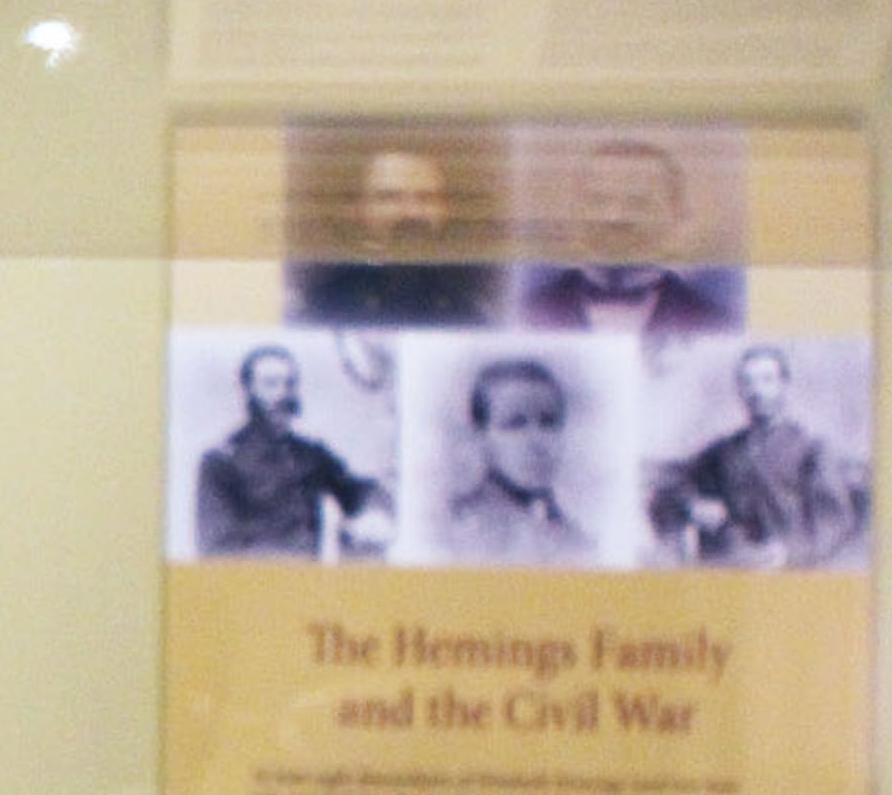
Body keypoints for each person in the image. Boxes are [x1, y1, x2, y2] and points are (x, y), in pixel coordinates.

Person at [651, 344, 868, 567]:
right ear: (740, 390)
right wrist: (692, 505)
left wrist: (790, 552)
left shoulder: (812, 449)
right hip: (729, 568)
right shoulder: (724, 450)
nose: (757, 391)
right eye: (747, 382)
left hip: (789, 574)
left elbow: (834, 521)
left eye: (767, 380)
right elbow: (672, 487)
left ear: (784, 385)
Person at [516, 140, 742, 345]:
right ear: (574, 213)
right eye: (598, 201)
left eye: (639, 203)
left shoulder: (716, 323)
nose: (614, 218)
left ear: (678, 217)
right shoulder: (526, 312)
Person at [194, 344, 391, 558]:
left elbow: (357, 490)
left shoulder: (310, 453)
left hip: (308, 581)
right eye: (270, 384)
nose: (282, 394)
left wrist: (373, 513)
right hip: (255, 584)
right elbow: (217, 549)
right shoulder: (221, 461)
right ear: (249, 390)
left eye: (289, 384)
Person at [287, 144, 505, 328]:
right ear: (356, 210)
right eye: (390, 198)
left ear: (445, 210)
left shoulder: (470, 308)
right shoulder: (323, 304)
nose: (411, 213)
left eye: (426, 198)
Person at [442, 356, 593, 564]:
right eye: (515, 424)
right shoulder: (458, 531)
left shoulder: (571, 538)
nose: (538, 443)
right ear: (480, 438)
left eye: (549, 423)